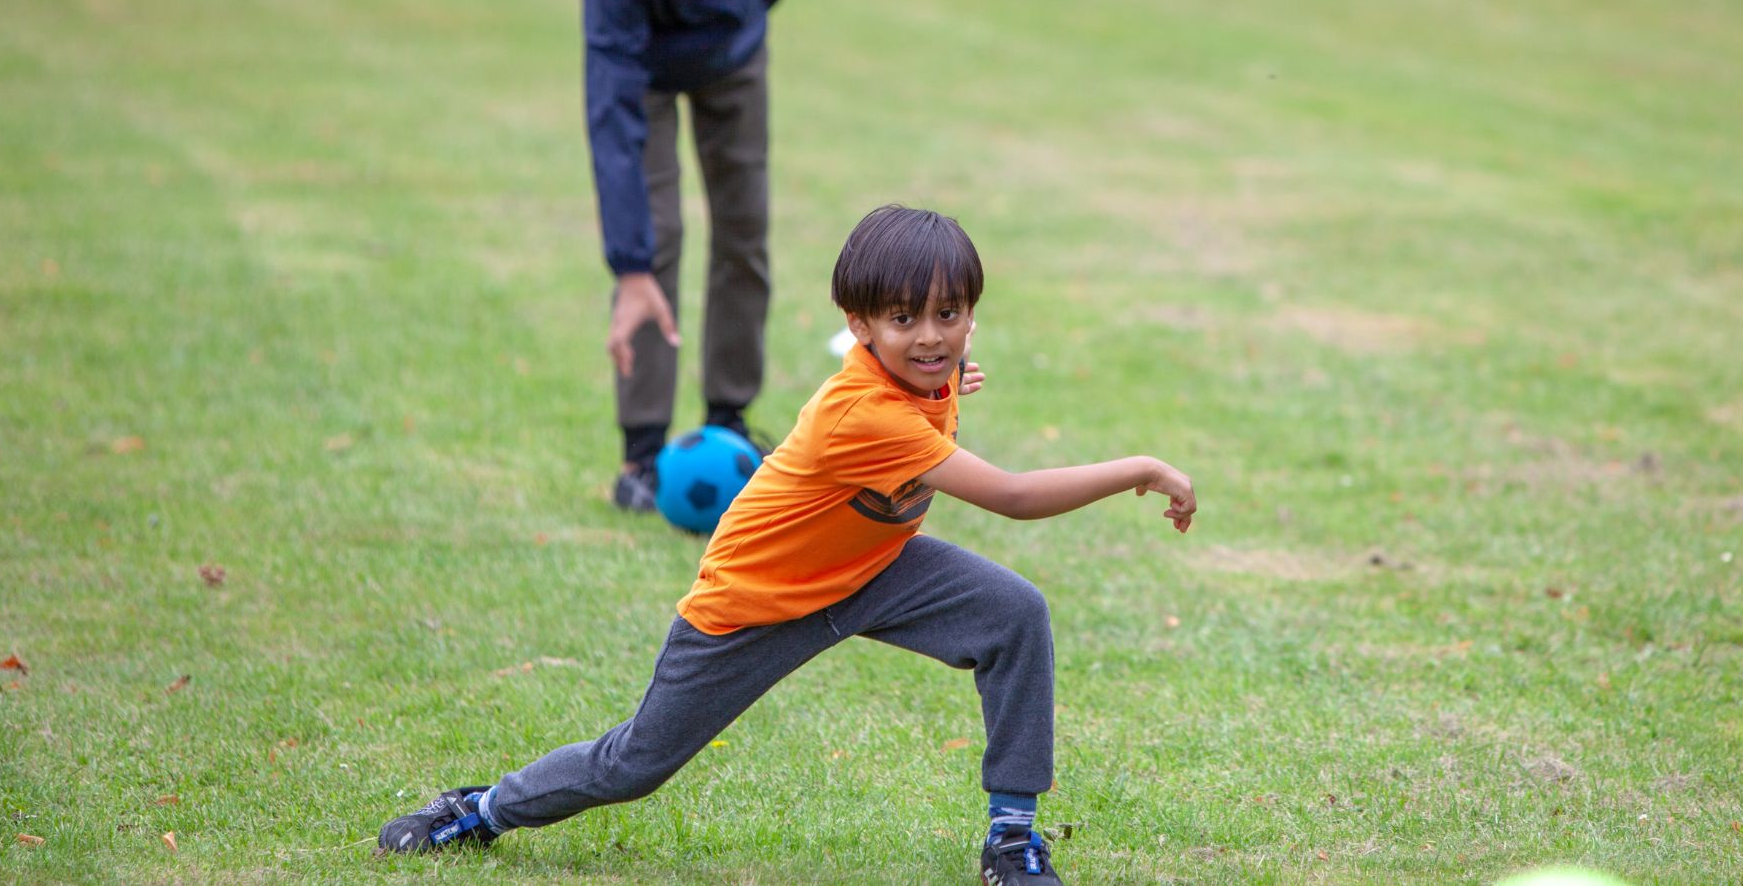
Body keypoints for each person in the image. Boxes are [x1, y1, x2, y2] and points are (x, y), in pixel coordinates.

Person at [376, 205, 1198, 884]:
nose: (932, 336)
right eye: (903, 318)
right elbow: (1013, 498)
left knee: (1014, 614)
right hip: (756, 601)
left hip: (872, 568)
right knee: (635, 763)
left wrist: (952, 370)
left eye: (949, 314)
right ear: (858, 325)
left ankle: (1012, 841)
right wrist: (1143, 465)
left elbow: (941, 363)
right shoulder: (864, 415)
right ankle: (477, 810)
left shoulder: (931, 363)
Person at [583, 0, 786, 510]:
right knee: (657, 234)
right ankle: (643, 452)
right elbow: (610, 109)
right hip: (643, 70)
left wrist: (747, 19)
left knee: (744, 227)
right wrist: (629, 264)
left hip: (734, 50)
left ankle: (728, 418)